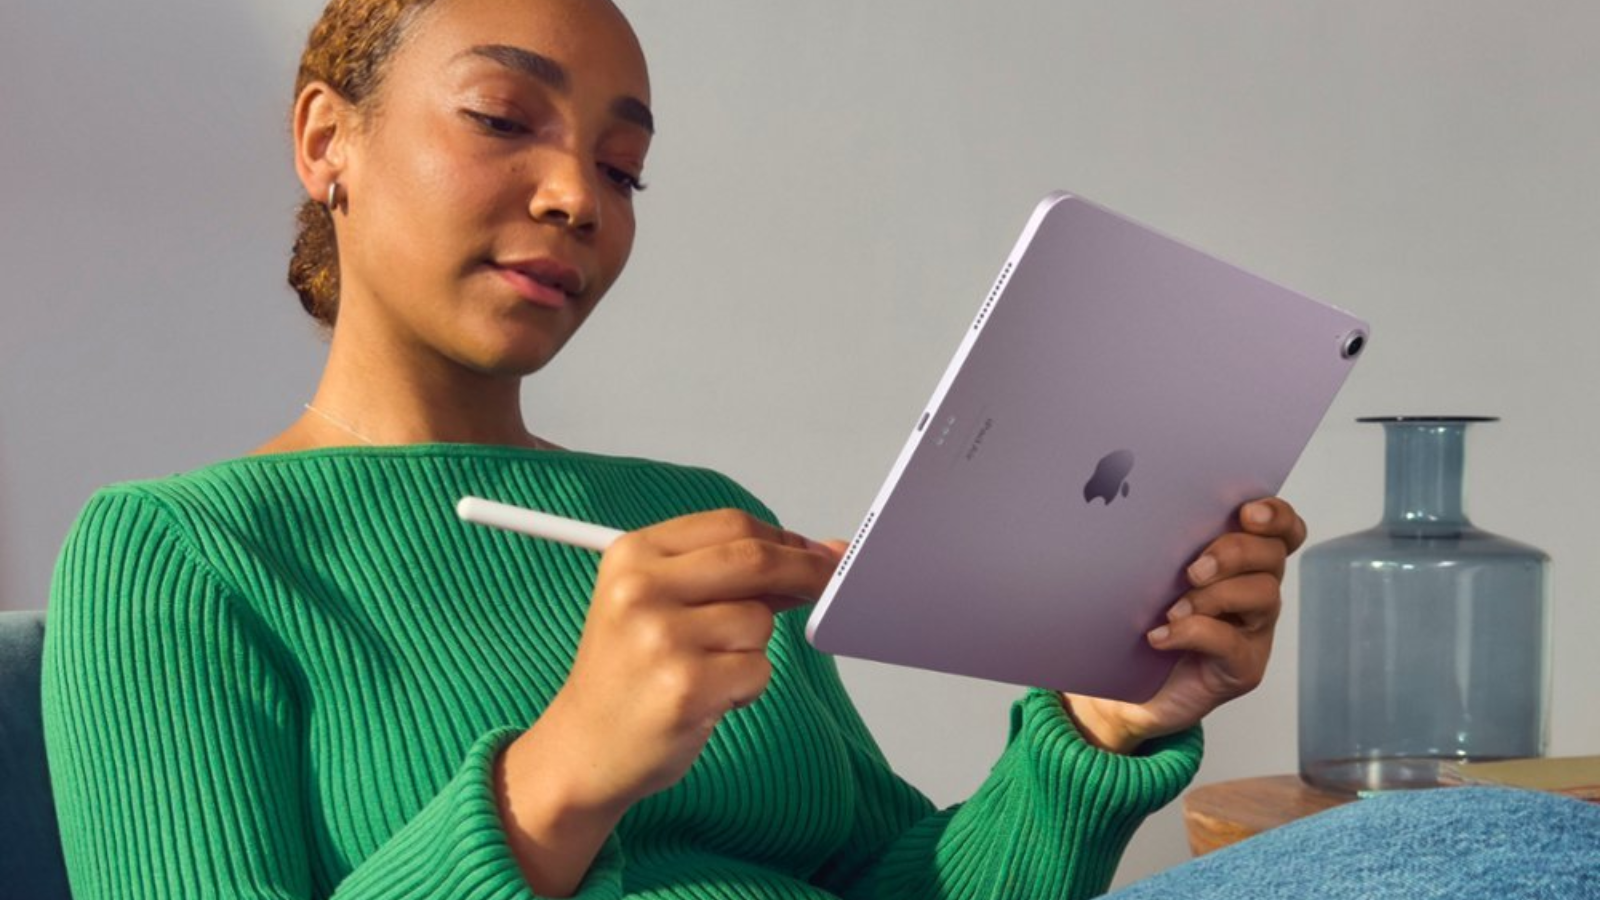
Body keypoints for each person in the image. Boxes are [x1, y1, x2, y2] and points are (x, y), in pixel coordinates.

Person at [49, 1, 1561, 899]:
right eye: (505, 117)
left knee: (1506, 845)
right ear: (328, 143)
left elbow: (912, 886)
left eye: (626, 164)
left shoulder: (689, 518)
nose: (580, 194)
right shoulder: (175, 552)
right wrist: (557, 783)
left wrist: (1100, 730)